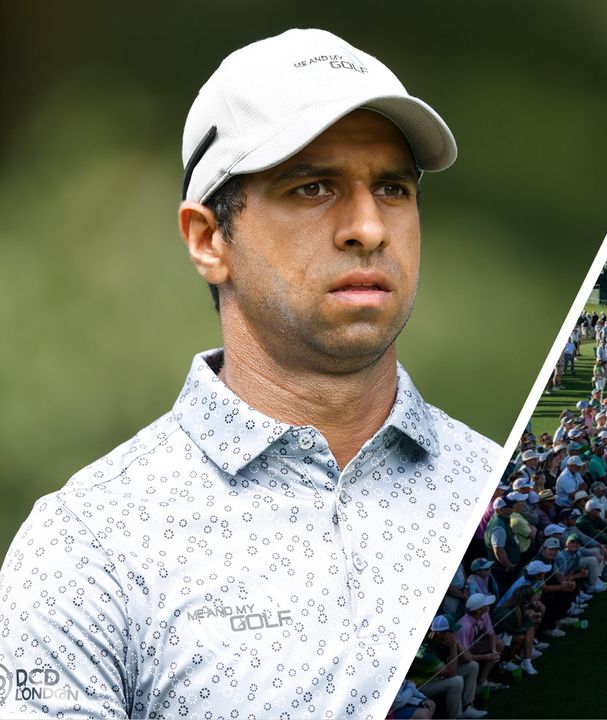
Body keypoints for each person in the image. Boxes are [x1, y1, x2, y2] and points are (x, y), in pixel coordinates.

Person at [0, 28, 500, 717]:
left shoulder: (492, 477)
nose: (368, 226)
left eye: (392, 188)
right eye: (313, 187)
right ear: (208, 239)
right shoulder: (90, 544)